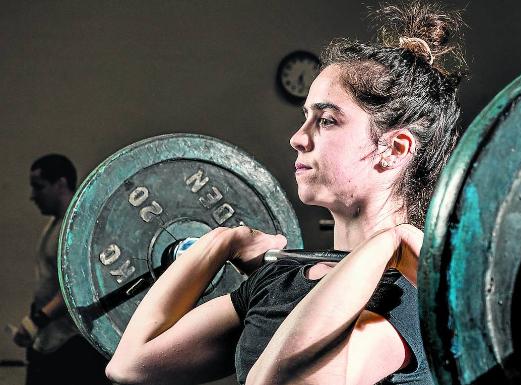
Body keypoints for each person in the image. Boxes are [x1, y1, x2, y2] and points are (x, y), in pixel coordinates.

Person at [106, 2, 464, 384]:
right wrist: (221, 244)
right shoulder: (281, 279)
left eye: (326, 120)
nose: (298, 138)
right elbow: (130, 365)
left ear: (394, 149)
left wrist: (389, 242)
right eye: (305, 117)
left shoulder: (406, 298)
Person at [14, 154, 110, 385]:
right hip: (49, 341)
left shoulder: (75, 227)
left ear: (61, 183)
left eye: (39, 187)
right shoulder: (55, 223)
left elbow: (76, 286)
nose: (32, 196)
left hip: (73, 345)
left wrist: (36, 321)